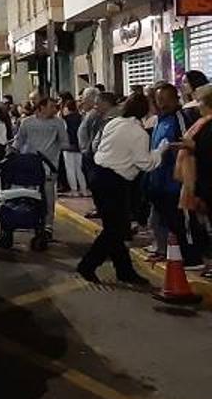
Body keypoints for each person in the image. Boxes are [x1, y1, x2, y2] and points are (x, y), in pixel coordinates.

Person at [77, 94, 165, 285]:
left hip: (98, 175)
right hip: (114, 181)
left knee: (116, 227)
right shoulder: (138, 132)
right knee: (116, 229)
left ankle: (124, 271)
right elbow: (145, 163)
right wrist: (161, 151)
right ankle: (88, 264)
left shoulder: (114, 123)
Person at [146, 83, 202, 268]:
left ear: (175, 99)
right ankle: (175, 253)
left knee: (184, 222)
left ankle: (193, 258)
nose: (162, 103)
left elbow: (188, 145)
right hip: (160, 182)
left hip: (176, 182)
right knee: (170, 222)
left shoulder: (180, 118)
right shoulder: (159, 121)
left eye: (166, 99)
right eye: (158, 100)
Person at [12, 96, 68, 233]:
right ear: (41, 107)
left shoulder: (59, 123)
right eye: (51, 106)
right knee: (29, 195)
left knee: (48, 196)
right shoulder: (27, 122)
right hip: (30, 166)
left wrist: (62, 148)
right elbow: (19, 141)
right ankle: (30, 219)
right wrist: (13, 153)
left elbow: (64, 142)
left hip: (50, 166)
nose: (55, 109)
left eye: (55, 107)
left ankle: (48, 225)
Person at [175, 84, 212, 278]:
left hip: (205, 182)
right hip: (200, 181)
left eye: (200, 102)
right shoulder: (203, 123)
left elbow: (206, 154)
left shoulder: (208, 126)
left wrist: (193, 146)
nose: (197, 106)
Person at [60, 94, 88, 197]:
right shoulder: (81, 118)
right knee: (79, 168)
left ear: (67, 108)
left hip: (68, 146)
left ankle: (74, 190)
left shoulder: (65, 119)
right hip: (79, 146)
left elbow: (63, 132)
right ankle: (84, 189)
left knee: (70, 169)